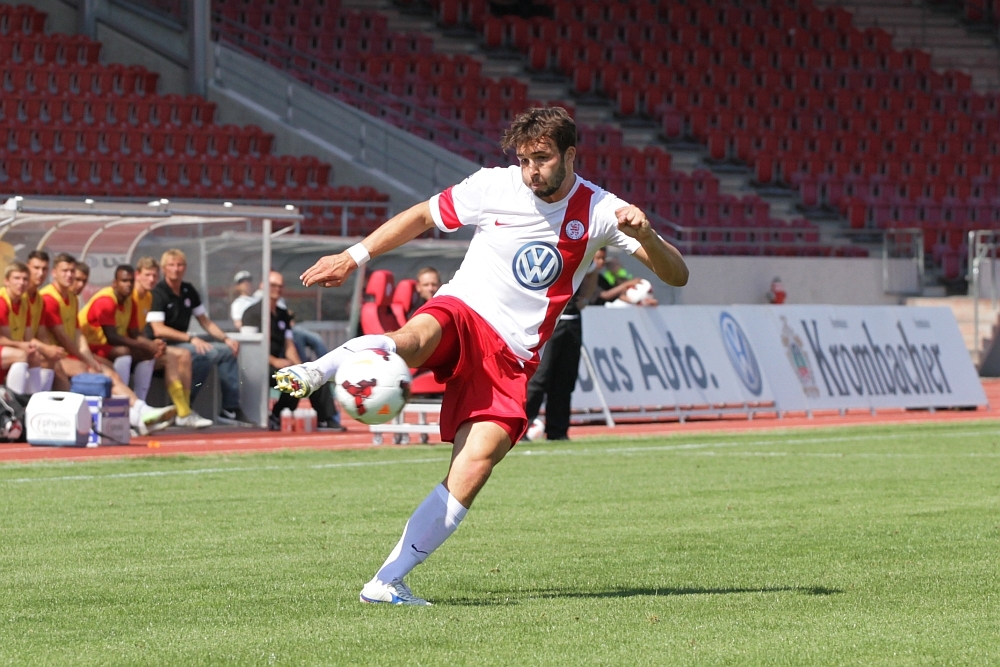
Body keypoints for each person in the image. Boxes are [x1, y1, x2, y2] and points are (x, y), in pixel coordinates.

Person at [275, 107, 688, 605]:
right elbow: (422, 215)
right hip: (465, 310)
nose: (531, 171)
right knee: (412, 339)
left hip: (513, 356)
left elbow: (677, 275)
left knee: (475, 466)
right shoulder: (494, 185)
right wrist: (352, 256)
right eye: (524, 160)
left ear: (570, 155)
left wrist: (645, 236)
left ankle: (385, 582)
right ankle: (317, 370)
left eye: (542, 158)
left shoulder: (602, 210)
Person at [39, 253, 176, 434]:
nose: (71, 276)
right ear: (54, 273)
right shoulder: (50, 298)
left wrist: (89, 360)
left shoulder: (72, 298)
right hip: (60, 355)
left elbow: (77, 336)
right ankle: (133, 419)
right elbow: (66, 338)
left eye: (73, 272)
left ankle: (141, 412)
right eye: (66, 271)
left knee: (112, 374)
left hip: (72, 353)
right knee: (106, 369)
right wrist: (88, 361)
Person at [146, 249, 249, 425]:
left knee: (226, 352)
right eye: (171, 265)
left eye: (180, 265)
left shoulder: (188, 290)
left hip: (183, 343)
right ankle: (183, 407)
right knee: (205, 353)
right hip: (163, 345)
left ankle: (229, 409)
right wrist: (190, 338)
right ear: (164, 268)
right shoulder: (158, 292)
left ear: (185, 268)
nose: (176, 269)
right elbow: (158, 329)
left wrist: (226, 339)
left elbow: (205, 321)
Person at [242, 271, 344, 431]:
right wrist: (274, 360)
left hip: (278, 364)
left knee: (314, 372)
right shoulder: (251, 313)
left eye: (280, 286)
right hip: (257, 366)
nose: (277, 289)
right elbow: (249, 348)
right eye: (273, 285)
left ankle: (326, 419)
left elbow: (289, 345)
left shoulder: (282, 314)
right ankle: (278, 415)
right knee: (291, 378)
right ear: (262, 286)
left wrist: (301, 367)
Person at [133, 257, 213, 429]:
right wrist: (149, 344)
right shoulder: (134, 297)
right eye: (147, 275)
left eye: (154, 276)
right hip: (124, 351)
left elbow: (139, 330)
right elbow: (145, 330)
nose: (151, 280)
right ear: (137, 275)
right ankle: (137, 415)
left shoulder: (148, 297)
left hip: (144, 348)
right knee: (128, 361)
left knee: (184, 355)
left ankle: (183, 412)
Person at [523, 279, 595, 442]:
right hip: (546, 320)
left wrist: (585, 298)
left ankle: (558, 431)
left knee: (565, 379)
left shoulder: (581, 259)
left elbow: (593, 271)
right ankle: (521, 430)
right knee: (539, 377)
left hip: (572, 320)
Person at [0, 262, 48, 394]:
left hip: (8, 349)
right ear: (6, 281)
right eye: (16, 278)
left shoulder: (24, 304)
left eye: (25, 279)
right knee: (21, 355)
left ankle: (32, 400)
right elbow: (3, 338)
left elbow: (29, 337)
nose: (21, 283)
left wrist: (37, 348)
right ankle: (14, 401)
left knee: (36, 356)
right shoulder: (2, 302)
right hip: (7, 348)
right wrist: (21, 345)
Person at [592, 247, 658, 306]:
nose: (602, 261)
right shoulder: (588, 278)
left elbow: (617, 296)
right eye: (598, 258)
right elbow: (604, 295)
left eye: (603, 258)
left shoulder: (602, 279)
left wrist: (642, 302)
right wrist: (627, 284)